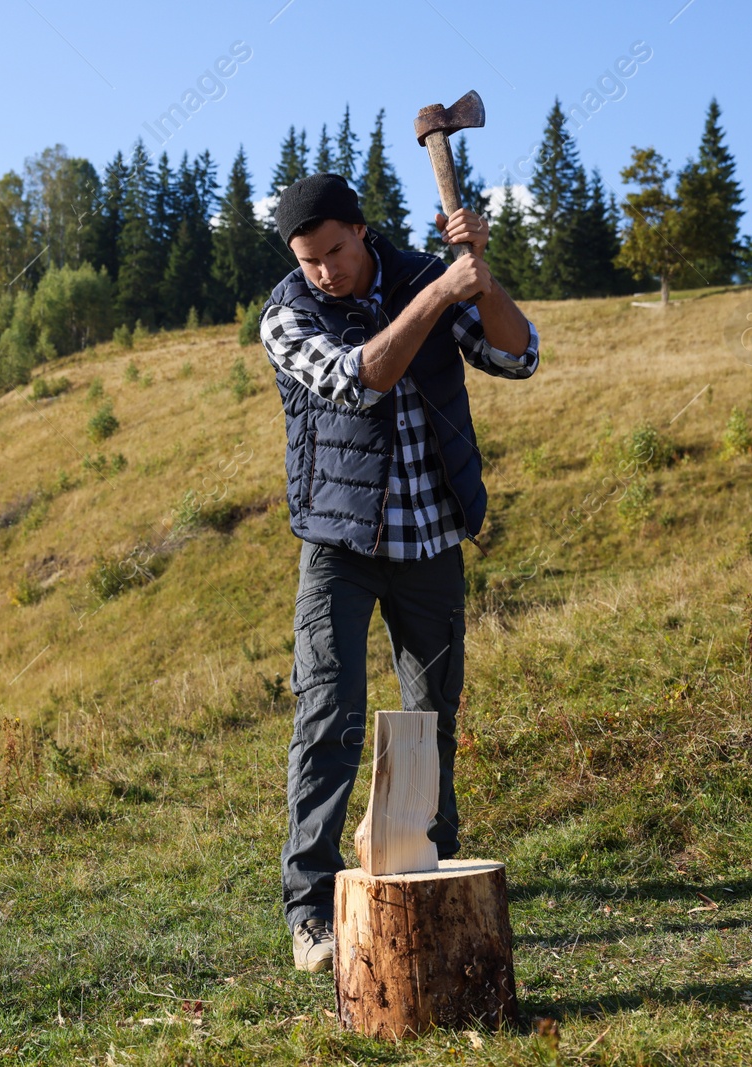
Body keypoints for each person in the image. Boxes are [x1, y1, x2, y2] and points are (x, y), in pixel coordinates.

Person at [259, 173, 540, 972]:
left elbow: (517, 356)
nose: (325, 273)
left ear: (361, 230)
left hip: (432, 536)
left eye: (335, 253)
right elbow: (360, 378)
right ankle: (311, 910)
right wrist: (438, 296)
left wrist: (477, 276)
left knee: (431, 719)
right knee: (330, 714)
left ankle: (430, 876)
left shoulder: (426, 273)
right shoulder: (288, 314)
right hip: (339, 546)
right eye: (308, 260)